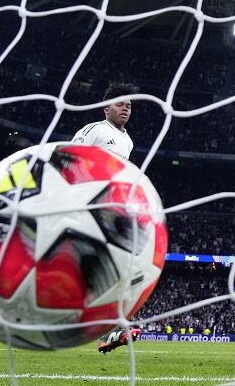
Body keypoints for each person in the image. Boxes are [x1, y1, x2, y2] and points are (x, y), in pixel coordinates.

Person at [80, 82, 143, 354]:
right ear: (106, 107)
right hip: (91, 207)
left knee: (119, 266)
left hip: (114, 208)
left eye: (129, 105)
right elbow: (69, 157)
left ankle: (112, 328)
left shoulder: (127, 141)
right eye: (120, 104)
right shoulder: (95, 131)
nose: (125, 109)